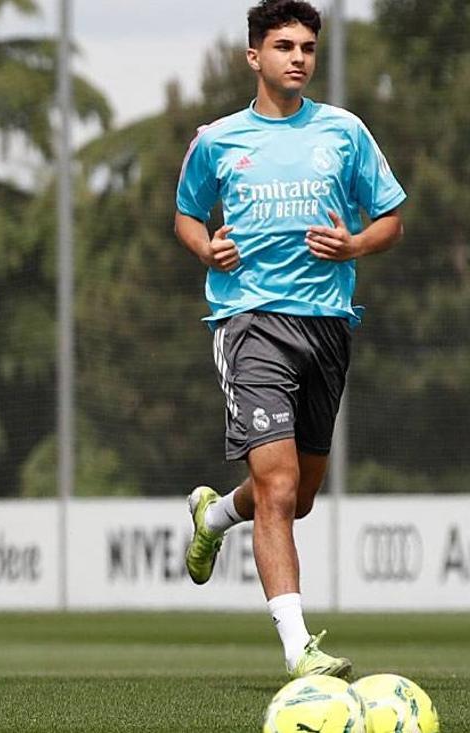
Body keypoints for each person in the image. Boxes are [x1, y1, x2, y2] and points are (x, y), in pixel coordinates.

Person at [174, 0, 405, 679]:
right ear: (255, 56)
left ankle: (216, 516)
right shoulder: (218, 139)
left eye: (307, 46)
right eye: (284, 46)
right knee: (276, 488)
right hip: (250, 322)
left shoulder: (345, 132)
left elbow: (391, 219)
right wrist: (206, 249)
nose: (298, 57)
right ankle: (299, 649)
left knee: (296, 496)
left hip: (327, 325)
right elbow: (186, 214)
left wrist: (355, 243)